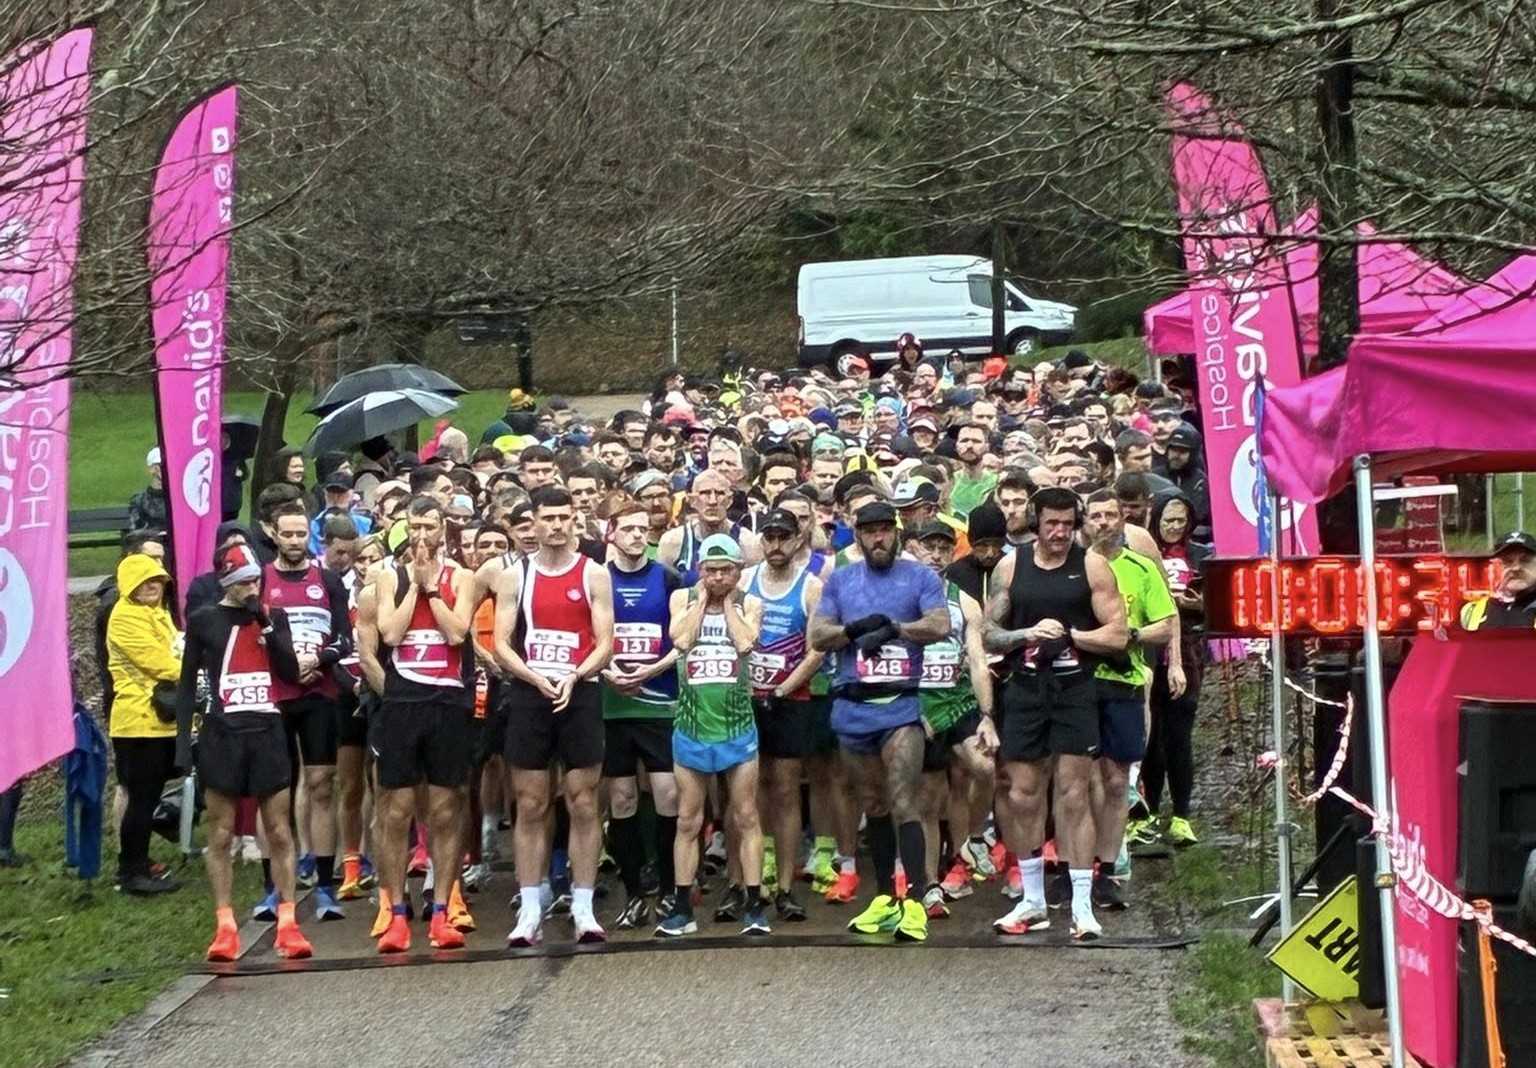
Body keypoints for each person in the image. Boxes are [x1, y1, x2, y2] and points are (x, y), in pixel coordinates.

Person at [983, 487, 1128, 940]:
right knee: (1023, 793)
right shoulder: (1012, 565)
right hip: (1026, 689)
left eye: (1068, 524)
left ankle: (1082, 907)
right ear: (1035, 521)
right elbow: (988, 632)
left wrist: (1071, 637)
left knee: (1074, 794)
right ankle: (1032, 900)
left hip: (1074, 689)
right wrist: (1027, 633)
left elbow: (1119, 634)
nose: (1060, 533)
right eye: (1051, 524)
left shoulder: (1091, 566)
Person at [809, 500, 951, 943]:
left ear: (896, 532)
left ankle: (915, 899)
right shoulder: (842, 579)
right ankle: (887, 897)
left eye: (884, 530)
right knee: (873, 804)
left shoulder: (920, 577)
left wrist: (895, 627)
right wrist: (853, 632)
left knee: (903, 797)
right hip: (854, 707)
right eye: (869, 531)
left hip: (901, 706)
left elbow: (941, 624)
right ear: (857, 534)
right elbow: (817, 635)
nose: (878, 538)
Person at [176, 544, 312, 961]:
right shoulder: (204, 621)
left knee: (279, 829)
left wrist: (268, 627)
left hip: (267, 729)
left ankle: (288, 922)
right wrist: (184, 743)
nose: (254, 588)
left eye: (257, 580)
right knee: (219, 831)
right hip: (224, 733)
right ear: (227, 583)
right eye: (245, 582)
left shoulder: (272, 616)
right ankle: (225, 925)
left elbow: (291, 672)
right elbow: (186, 685)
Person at [492, 486, 616, 946]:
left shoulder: (594, 574)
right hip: (531, 693)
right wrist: (534, 676)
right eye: (549, 518)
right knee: (530, 801)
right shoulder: (515, 575)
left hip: (578, 691)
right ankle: (530, 906)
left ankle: (583, 906)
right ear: (535, 522)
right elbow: (500, 643)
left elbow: (606, 641)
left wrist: (574, 675)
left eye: (565, 517)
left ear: (574, 520)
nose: (557, 526)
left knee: (583, 799)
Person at [372, 496, 478, 953]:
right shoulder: (385, 576)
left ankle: (440, 909)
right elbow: (391, 635)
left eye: (430, 526)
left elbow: (457, 633)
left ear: (443, 529)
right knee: (395, 810)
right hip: (402, 701)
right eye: (414, 526)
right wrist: (414, 587)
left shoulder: (464, 577)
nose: (422, 535)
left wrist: (434, 589)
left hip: (447, 700)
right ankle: (396, 911)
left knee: (444, 809)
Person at [655, 534, 771, 937]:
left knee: (745, 814)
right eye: (711, 570)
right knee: (689, 819)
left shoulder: (751, 602)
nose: (718, 577)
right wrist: (704, 601)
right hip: (691, 726)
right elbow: (681, 640)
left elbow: (744, 643)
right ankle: (682, 907)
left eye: (726, 571)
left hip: (737, 727)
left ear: (739, 572)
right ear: (700, 570)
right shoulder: (682, 600)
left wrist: (729, 605)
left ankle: (754, 904)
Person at [1080, 490, 1175, 910]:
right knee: (1078, 781)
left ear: (1124, 520)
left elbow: (1165, 626)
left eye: (1110, 515)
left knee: (1116, 780)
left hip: (1124, 681)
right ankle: (1076, 868)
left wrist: (1129, 636)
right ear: (1086, 522)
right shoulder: (1072, 569)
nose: (1103, 522)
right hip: (1077, 684)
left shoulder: (1140, 567)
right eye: (1095, 515)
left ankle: (1108, 865)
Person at [260, 502, 352, 921]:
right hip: (276, 694)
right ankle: (272, 888)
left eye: (301, 534)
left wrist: (319, 661)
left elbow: (345, 640)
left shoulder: (328, 580)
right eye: (287, 534)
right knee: (274, 790)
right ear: (273, 534)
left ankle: (326, 886)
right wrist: (285, 664)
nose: (295, 541)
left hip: (319, 692)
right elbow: (252, 642)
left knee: (321, 784)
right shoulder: (260, 580)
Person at [601, 501, 685, 930]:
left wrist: (654, 669)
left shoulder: (667, 578)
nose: (637, 535)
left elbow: (681, 638)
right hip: (612, 706)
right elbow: (589, 636)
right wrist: (606, 671)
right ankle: (634, 892)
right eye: (628, 528)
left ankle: (670, 889)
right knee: (622, 799)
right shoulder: (597, 577)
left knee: (669, 794)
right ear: (611, 532)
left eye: (643, 529)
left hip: (658, 703)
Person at [907, 521, 998, 917]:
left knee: (986, 765)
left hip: (957, 700)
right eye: (929, 547)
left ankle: (975, 838)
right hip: (919, 703)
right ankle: (928, 885)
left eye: (945, 548)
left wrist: (987, 715)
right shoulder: (900, 596)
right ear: (914, 548)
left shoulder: (965, 602)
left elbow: (978, 660)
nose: (937, 555)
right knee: (928, 801)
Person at [741, 508, 825, 920]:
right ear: (762, 541)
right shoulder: (745, 581)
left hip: (791, 699)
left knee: (787, 789)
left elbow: (818, 647)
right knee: (749, 790)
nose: (775, 546)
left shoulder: (810, 587)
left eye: (783, 538)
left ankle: (787, 885)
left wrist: (785, 687)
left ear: (796, 540)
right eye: (769, 538)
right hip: (747, 699)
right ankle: (754, 877)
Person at [105, 551, 183, 895]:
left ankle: (139, 864)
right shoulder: (125, 617)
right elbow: (163, 663)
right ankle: (132, 871)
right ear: (129, 584)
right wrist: (197, 665)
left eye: (157, 580)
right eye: (145, 580)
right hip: (137, 723)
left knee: (148, 797)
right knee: (140, 799)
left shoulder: (157, 613)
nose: (153, 586)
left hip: (159, 721)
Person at [1137, 491, 1204, 847]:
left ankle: (1181, 814)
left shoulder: (1201, 556)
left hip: (1189, 652)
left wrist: (1195, 603)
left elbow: (1217, 604)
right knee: (1150, 738)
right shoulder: (1142, 555)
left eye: (1181, 521)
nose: (1175, 527)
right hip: (1148, 653)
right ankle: (1147, 810)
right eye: (1168, 521)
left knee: (1179, 736)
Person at [1461, 531, 1536, 630]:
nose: (1516, 567)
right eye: (1507, 561)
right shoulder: (1472, 611)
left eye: (1525, 560)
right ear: (1495, 567)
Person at [949, 423, 996, 518]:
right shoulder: (948, 481)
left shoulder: (996, 483)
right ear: (956, 446)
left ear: (987, 447)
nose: (969, 445)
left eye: (976, 441)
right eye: (964, 441)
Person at [127, 447, 170, 534]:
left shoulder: (179, 499)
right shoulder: (139, 501)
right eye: (160, 465)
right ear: (151, 469)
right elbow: (136, 531)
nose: (166, 468)